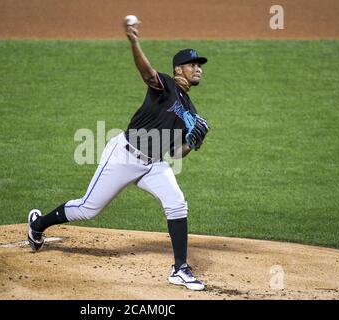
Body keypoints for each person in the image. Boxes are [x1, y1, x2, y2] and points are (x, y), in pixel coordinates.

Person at [27, 19, 210, 291]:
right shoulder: (166, 86)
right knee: (89, 209)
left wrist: (194, 143)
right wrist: (135, 42)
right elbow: (147, 73)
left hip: (154, 164)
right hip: (124, 156)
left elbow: (175, 152)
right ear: (178, 69)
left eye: (199, 66)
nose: (198, 69)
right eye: (193, 64)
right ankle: (38, 224)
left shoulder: (191, 111)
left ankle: (179, 269)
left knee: (177, 203)